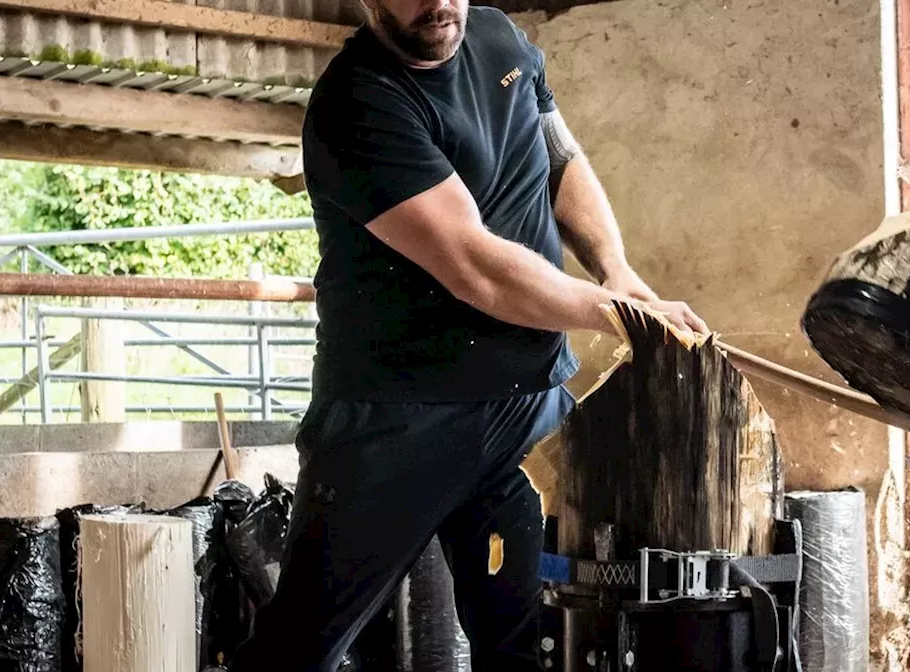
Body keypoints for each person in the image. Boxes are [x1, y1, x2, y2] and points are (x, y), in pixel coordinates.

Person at [229, 0, 709, 670]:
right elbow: (475, 268)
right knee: (301, 648)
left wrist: (616, 268)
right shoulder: (358, 102)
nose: (441, 2)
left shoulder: (496, 35)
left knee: (535, 642)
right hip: (397, 421)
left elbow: (557, 156)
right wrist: (610, 311)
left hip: (527, 411)